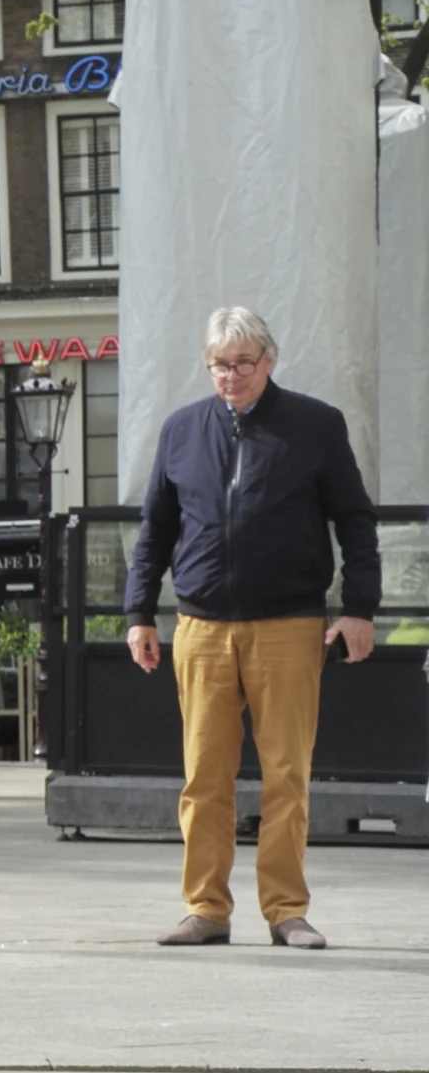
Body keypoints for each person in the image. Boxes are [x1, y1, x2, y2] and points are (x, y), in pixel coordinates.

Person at [124, 307, 379, 950]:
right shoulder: (182, 430)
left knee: (286, 773)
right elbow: (155, 530)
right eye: (219, 364)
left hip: (289, 627)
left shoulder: (317, 426)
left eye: (243, 363)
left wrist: (359, 609)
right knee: (203, 776)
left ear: (269, 361)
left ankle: (286, 910)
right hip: (201, 628)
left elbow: (355, 521)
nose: (231, 376)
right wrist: (137, 614)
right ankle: (206, 909)